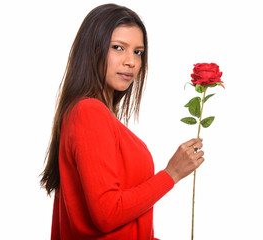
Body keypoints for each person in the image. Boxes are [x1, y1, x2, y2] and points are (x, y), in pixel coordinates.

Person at [40, 4, 204, 240]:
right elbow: (107, 214)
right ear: (92, 51)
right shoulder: (88, 112)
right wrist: (171, 174)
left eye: (138, 52)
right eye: (118, 48)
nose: (131, 62)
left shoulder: (89, 114)